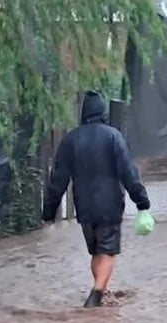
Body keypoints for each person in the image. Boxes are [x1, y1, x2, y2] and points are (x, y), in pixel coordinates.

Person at [42, 90, 151, 308]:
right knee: (107, 251)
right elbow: (128, 172)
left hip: (84, 209)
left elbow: (58, 179)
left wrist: (49, 211)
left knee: (96, 252)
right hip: (110, 206)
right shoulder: (113, 136)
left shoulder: (70, 140)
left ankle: (101, 291)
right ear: (103, 112)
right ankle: (97, 293)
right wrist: (142, 202)